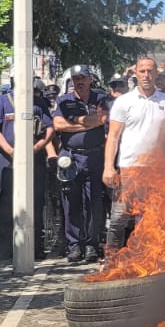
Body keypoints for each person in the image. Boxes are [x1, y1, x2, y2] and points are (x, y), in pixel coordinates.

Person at [103, 57, 165, 254]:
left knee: (157, 215)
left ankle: (151, 257)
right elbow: (113, 136)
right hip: (129, 169)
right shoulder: (123, 102)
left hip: (158, 170)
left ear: (156, 74)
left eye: (150, 71)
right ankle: (111, 259)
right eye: (142, 71)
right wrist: (108, 167)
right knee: (119, 218)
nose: (146, 75)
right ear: (135, 74)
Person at [52, 65, 110, 264]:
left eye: (83, 78)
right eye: (76, 78)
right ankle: (74, 245)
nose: (80, 81)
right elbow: (58, 125)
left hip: (94, 157)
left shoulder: (100, 99)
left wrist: (74, 121)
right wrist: (86, 123)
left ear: (90, 79)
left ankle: (92, 244)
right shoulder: (63, 101)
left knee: (94, 202)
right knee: (71, 202)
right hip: (71, 157)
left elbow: (102, 119)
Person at [0, 79, 53, 260]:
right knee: (7, 203)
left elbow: (50, 128)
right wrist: (10, 150)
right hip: (8, 160)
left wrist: (36, 148)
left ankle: (36, 247)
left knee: (36, 202)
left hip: (35, 160)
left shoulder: (38, 102)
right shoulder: (2, 101)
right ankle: (5, 248)